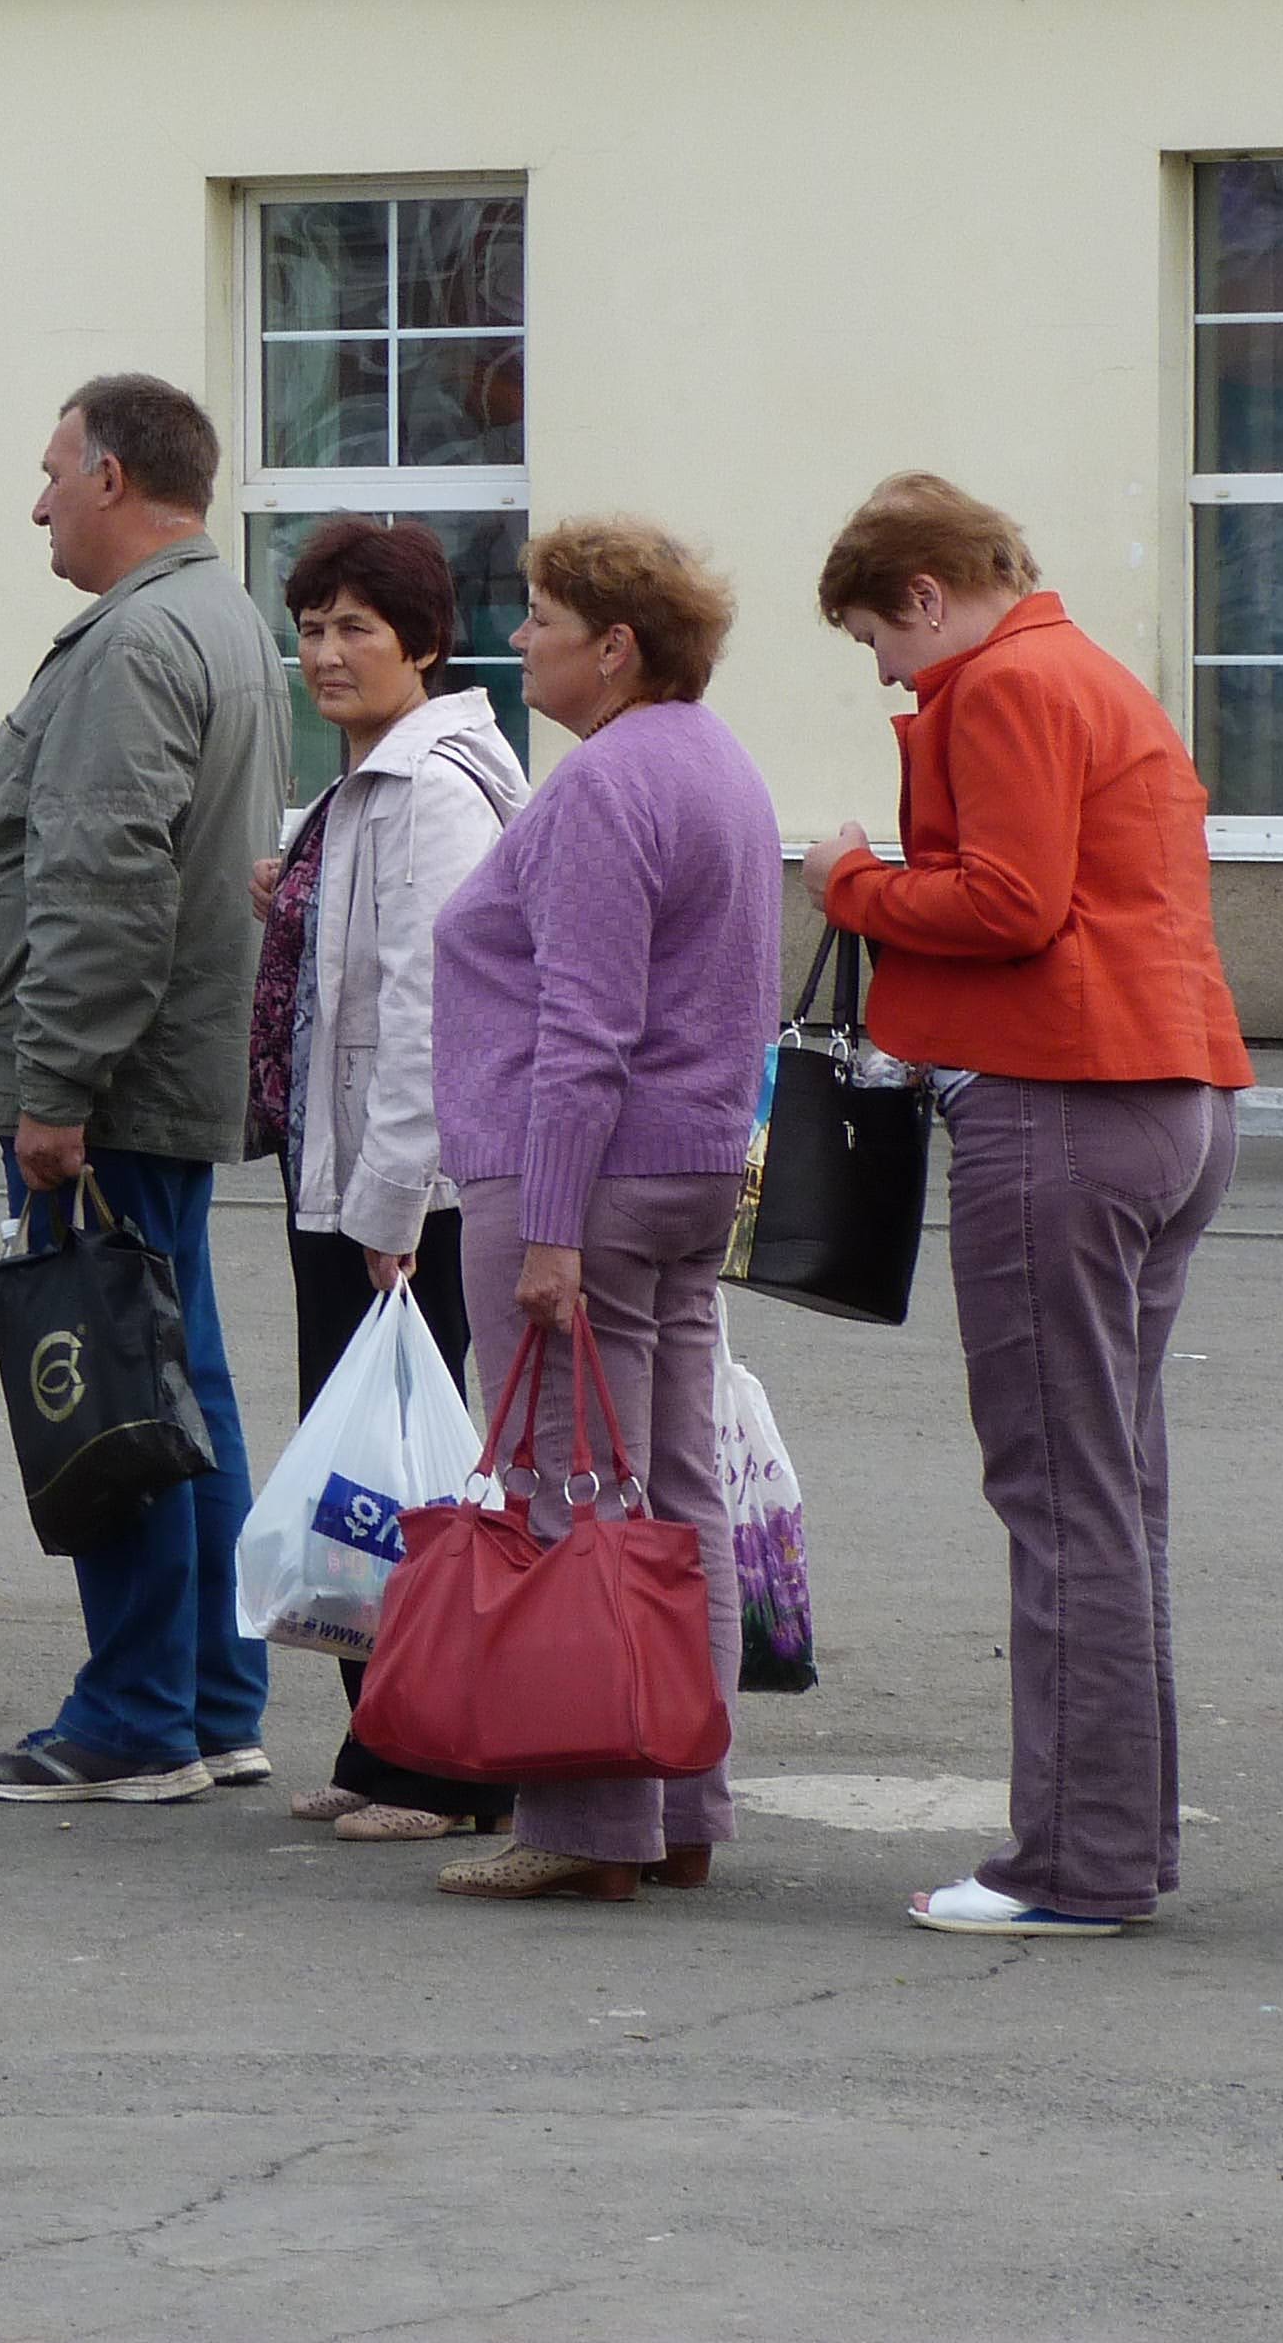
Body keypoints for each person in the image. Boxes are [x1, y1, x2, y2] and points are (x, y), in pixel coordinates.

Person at [803, 475, 1251, 1938]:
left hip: (1060, 1101)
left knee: (1060, 1493)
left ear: (926, 596)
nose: (886, 670)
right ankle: (1116, 1846)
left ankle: (1073, 1866)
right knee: (1113, 1493)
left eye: (877, 636)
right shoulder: (1089, 673)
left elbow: (1008, 903)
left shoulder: (1001, 684)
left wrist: (852, 883)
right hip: (1172, 1094)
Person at [0, 375, 283, 1803]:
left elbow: (103, 881)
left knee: (111, 1383)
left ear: (115, 477)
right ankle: (211, 1699)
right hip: (161, 1071)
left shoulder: (135, 641)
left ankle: (137, 1719)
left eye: (53, 473)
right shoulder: (217, 615)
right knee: (181, 1376)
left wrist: (58, 1087)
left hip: (110, 1090)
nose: (38, 505)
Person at [425, 516, 777, 1900]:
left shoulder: (605, 784)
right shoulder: (721, 761)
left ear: (615, 647)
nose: (519, 640)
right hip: (693, 1171)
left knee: (565, 1493)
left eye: (542, 619)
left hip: (580, 1177)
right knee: (676, 1499)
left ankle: (585, 1827)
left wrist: (552, 1229)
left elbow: (584, 1026)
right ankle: (684, 1804)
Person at [245, 515, 524, 1843]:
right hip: (347, 1175)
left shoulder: (433, 789)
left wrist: (396, 1201)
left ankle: (448, 1769)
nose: (326, 653)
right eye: (310, 629)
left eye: (356, 628)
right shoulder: (369, 779)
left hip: (403, 1193)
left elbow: (433, 1012)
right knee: (360, 1468)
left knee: (410, 1486)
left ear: (422, 642)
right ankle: (384, 1740)